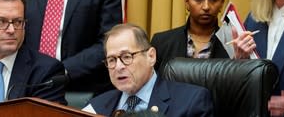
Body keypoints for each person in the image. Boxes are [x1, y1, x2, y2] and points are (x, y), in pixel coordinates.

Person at [83, 23, 214, 117]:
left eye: (126, 57)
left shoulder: (191, 102)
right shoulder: (96, 106)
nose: (118, 66)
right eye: (111, 60)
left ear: (151, 56)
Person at [151, 0, 229, 71]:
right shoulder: (162, 43)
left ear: (222, 3)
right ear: (186, 1)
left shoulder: (232, 46)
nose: (206, 6)